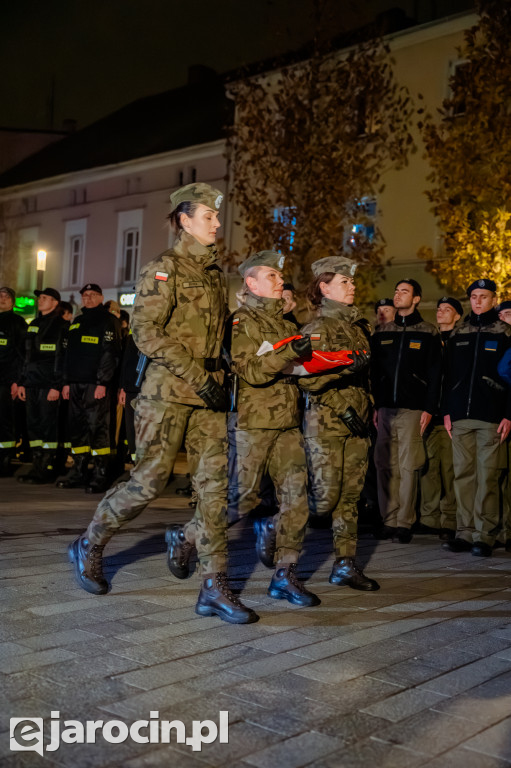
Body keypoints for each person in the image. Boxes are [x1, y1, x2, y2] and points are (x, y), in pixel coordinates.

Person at [68, 183, 260, 625]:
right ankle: (90, 542)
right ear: (184, 220)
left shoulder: (214, 274)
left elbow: (219, 338)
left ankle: (214, 586)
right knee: (149, 480)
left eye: (216, 216)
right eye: (208, 216)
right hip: (168, 392)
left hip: (209, 395)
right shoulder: (163, 268)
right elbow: (146, 332)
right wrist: (198, 375)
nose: (217, 223)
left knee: (213, 489)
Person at [299, 256, 379, 590]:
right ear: (325, 288)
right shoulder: (318, 329)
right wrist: (343, 407)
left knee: (350, 497)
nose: (352, 286)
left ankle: (345, 564)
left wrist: (367, 407)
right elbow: (307, 379)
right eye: (344, 281)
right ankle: (276, 529)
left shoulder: (358, 327)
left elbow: (365, 378)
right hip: (328, 422)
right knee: (325, 498)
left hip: (357, 424)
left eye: (351, 281)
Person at [442, 279, 511, 557]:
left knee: (488, 477)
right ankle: (464, 532)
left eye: (484, 296)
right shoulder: (459, 331)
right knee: (463, 475)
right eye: (474, 296)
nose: (478, 301)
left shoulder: (505, 333)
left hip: (491, 416)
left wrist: (508, 414)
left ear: (494, 299)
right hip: (460, 415)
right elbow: (448, 374)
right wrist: (447, 411)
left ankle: (485, 535)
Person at [371, 279, 442, 542]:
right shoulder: (383, 332)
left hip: (413, 408)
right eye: (396, 290)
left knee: (408, 465)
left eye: (404, 291)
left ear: (416, 299)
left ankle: (404, 522)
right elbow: (374, 372)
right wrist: (375, 405)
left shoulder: (428, 331)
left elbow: (435, 373)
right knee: (384, 464)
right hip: (385, 409)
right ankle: (388, 519)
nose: (398, 294)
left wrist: (429, 408)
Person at [57, 283, 122, 492]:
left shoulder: (108, 320)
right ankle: (79, 471)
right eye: (85, 295)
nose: (88, 298)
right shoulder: (77, 321)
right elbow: (68, 354)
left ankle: (100, 474)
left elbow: (110, 354)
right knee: (77, 429)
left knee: (98, 428)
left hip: (95, 385)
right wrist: (66, 382)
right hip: (75, 383)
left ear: (101, 298)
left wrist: (103, 383)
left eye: (93, 294)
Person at [418, 297, 462, 539]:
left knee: (450, 469)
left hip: (449, 415)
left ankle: (450, 519)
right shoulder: (431, 340)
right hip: (429, 412)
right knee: (428, 466)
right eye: (439, 309)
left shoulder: (459, 340)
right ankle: (429, 518)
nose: (441, 312)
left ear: (457, 316)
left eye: (447, 309)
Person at [17, 288, 69, 484]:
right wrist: (22, 382)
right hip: (31, 383)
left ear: (55, 303)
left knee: (48, 427)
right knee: (34, 427)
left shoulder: (62, 326)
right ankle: (37, 466)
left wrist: (57, 385)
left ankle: (48, 467)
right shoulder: (34, 324)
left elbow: (62, 358)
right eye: (40, 298)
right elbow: (26, 356)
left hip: (48, 385)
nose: (40, 300)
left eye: (45, 298)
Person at [0, 286, 27, 476]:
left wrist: (17, 381)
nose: (2, 299)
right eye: (0, 296)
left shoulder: (17, 323)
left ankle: (5, 460)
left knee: (5, 421)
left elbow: (22, 354)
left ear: (13, 302)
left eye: (6, 297)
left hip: (6, 381)